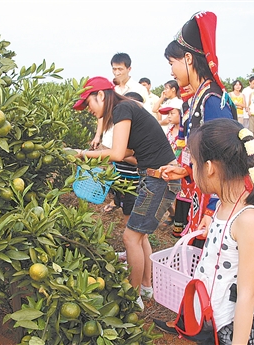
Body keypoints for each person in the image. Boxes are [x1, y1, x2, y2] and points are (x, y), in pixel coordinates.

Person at [157, 119, 254, 345]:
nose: (193, 171)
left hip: (231, 328)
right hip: (212, 315)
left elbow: (246, 296)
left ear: (209, 168)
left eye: (194, 164)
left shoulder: (249, 220)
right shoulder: (223, 204)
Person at [72, 76, 181, 310]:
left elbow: (119, 153)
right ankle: (145, 287)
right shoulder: (127, 109)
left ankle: (133, 297)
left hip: (158, 180)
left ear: (101, 95)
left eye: (87, 103)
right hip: (154, 177)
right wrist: (100, 154)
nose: (88, 110)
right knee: (138, 237)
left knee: (130, 238)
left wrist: (82, 153)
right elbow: (130, 150)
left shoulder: (123, 108)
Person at [161, 10, 236, 240]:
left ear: (189, 59)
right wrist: (186, 170)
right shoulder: (198, 98)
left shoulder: (212, 101)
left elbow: (225, 159)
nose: (171, 70)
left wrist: (213, 209)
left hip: (213, 203)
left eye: (172, 63)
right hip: (201, 197)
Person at [91, 53, 149, 149]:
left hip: (131, 143)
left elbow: (146, 115)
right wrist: (97, 136)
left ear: (129, 69)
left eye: (120, 69)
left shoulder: (139, 89)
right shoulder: (110, 90)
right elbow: (102, 114)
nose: (117, 73)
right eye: (114, 69)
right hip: (109, 140)